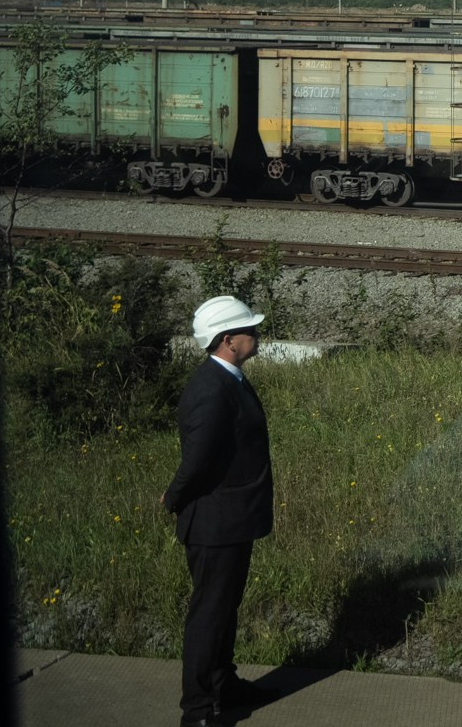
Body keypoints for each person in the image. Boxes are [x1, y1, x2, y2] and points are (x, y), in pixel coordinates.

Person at [163, 295, 272, 727]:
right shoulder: (210, 389)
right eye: (250, 330)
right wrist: (174, 495)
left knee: (225, 610)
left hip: (233, 517)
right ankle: (197, 710)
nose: (257, 335)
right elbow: (199, 458)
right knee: (209, 616)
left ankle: (223, 685)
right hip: (214, 523)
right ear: (228, 340)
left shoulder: (230, 378)